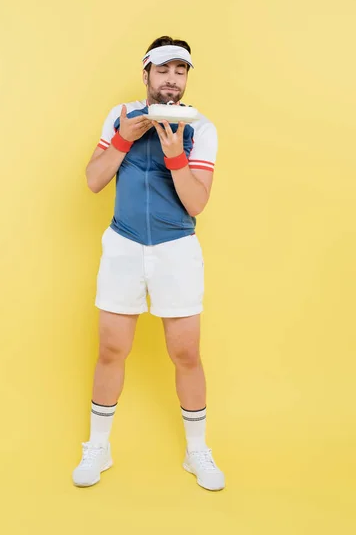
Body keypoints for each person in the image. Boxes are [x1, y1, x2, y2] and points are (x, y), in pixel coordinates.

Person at [73, 36, 225, 491]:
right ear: (146, 74)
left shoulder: (202, 128)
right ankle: (98, 447)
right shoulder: (120, 116)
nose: (171, 80)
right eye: (163, 70)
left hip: (176, 251)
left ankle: (197, 450)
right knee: (111, 349)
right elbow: (94, 180)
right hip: (123, 245)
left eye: (180, 71)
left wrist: (175, 152)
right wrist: (124, 137)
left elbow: (196, 203)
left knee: (185, 353)